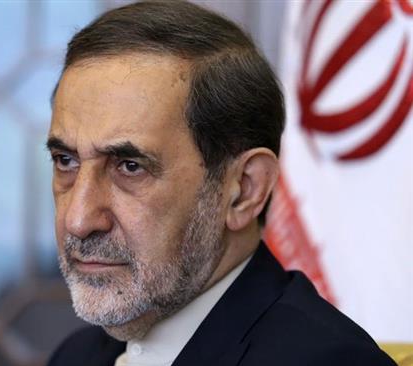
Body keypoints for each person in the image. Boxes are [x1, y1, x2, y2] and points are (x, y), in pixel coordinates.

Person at [45, 1, 396, 365]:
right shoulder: (76, 355)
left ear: (244, 189)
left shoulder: (327, 360)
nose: (78, 219)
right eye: (66, 161)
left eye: (130, 166)